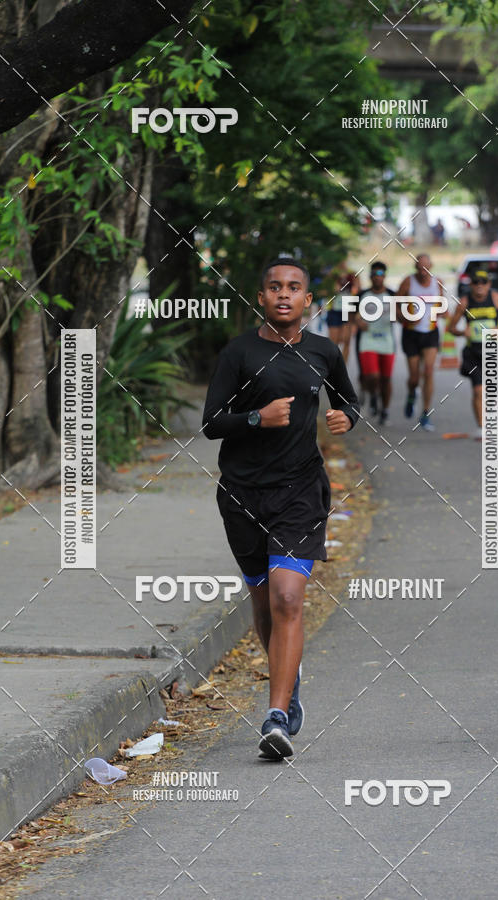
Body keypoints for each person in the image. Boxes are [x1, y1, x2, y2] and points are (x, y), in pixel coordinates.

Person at [202, 258, 359, 760]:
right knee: (266, 601)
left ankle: (275, 716)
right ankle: (288, 685)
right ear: (261, 297)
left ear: (308, 300)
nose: (284, 295)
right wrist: (257, 417)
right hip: (243, 495)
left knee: (289, 598)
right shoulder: (239, 353)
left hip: (300, 492)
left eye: (294, 288)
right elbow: (211, 424)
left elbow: (349, 403)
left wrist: (343, 419)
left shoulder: (323, 352)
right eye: (275, 287)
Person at [447, 269, 498, 439]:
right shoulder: (464, 302)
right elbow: (451, 328)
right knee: (478, 391)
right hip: (474, 353)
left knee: (491, 391)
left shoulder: (497, 299)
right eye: (476, 282)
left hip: (494, 351)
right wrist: (463, 333)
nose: (479, 285)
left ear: (489, 284)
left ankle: (490, 416)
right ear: (471, 284)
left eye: (483, 282)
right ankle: (482, 427)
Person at [397, 254, 446, 431]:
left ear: (431, 266)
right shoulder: (408, 282)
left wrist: (441, 312)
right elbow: (395, 304)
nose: (423, 272)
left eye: (426, 267)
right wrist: (405, 317)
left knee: (429, 371)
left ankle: (425, 412)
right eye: (420, 268)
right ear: (415, 267)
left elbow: (442, 305)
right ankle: (411, 393)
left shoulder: (437, 282)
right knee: (414, 377)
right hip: (411, 334)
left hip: (430, 333)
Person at [356, 261, 396, 426]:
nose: (377, 278)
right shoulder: (362, 295)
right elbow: (353, 315)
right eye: (374, 274)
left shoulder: (392, 295)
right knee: (372, 376)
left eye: (380, 274)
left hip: (386, 340)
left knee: (386, 379)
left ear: (384, 276)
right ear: (370, 276)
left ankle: (384, 410)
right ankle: (373, 395)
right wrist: (359, 321)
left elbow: (401, 315)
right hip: (368, 339)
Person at [326, 271, 359, 362]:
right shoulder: (332, 272)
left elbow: (358, 291)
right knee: (334, 342)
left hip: (348, 309)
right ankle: (332, 367)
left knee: (346, 340)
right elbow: (326, 291)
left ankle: (343, 369)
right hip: (334, 309)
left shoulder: (352, 273)